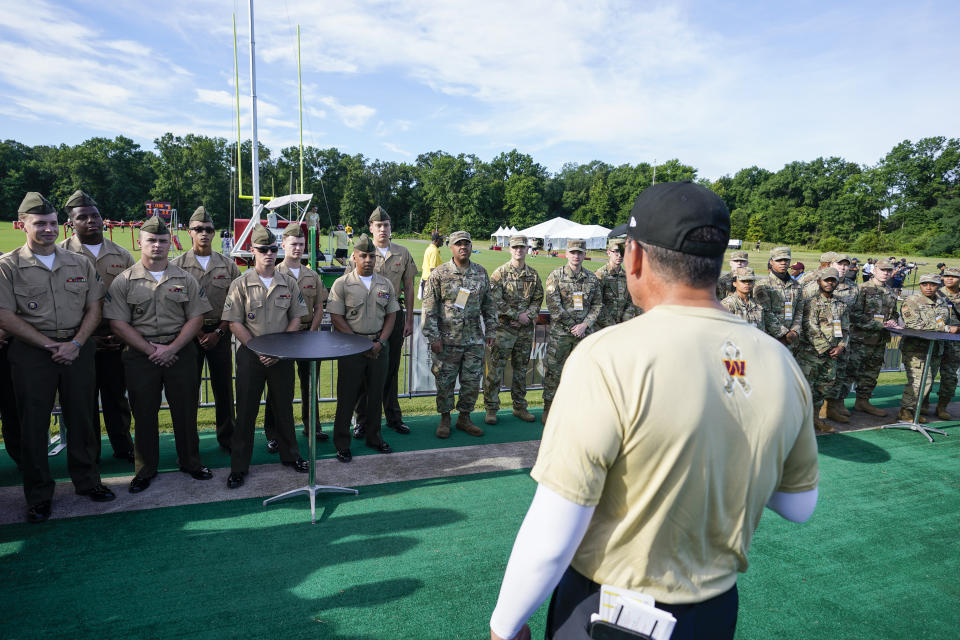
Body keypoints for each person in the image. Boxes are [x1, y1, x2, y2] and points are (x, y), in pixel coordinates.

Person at [488, 182, 818, 640]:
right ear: (719, 262)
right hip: (714, 610)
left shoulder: (607, 355)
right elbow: (799, 505)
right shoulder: (779, 361)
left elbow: (553, 531)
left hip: (611, 611)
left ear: (636, 257)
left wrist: (504, 625)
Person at [0, 192, 115, 523]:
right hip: (32, 353)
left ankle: (88, 482)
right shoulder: (8, 266)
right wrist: (49, 345)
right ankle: (38, 495)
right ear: (22, 225)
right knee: (33, 425)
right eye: (40, 224)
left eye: (52, 223)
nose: (48, 229)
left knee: (82, 418)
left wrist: (76, 343)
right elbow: (5, 316)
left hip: (77, 348)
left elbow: (95, 307)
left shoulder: (78, 262)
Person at [105, 216, 213, 493]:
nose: (157, 245)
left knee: (186, 410)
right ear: (139, 243)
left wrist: (173, 348)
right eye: (151, 240)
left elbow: (197, 317)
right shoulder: (124, 281)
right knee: (143, 413)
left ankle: (190, 461)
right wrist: (151, 350)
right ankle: (145, 469)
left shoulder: (185, 279)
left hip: (180, 352)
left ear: (170, 243)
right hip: (142, 356)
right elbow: (118, 322)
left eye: (163, 241)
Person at [221, 225, 309, 489]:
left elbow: (296, 317)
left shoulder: (288, 283)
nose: (269, 254)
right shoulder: (241, 283)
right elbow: (234, 321)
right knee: (246, 411)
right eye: (262, 249)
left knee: (284, 409)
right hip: (251, 356)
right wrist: (257, 348)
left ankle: (290, 455)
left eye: (272, 249)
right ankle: (238, 467)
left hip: (282, 356)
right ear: (252, 251)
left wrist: (279, 348)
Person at [59, 189, 136, 463]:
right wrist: (86, 338)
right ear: (71, 223)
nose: (91, 221)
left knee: (116, 396)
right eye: (83, 217)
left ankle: (123, 446)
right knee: (82, 400)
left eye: (95, 215)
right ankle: (88, 451)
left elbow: (132, 297)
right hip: (77, 340)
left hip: (115, 337)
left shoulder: (122, 255)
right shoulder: (61, 255)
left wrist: (122, 334)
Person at [171, 206, 241, 452]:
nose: (204, 234)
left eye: (209, 230)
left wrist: (219, 332)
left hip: (220, 333)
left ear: (214, 233)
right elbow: (176, 307)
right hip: (189, 336)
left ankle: (228, 439)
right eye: (198, 229)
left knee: (224, 390)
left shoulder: (228, 266)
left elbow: (235, 304)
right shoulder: (176, 266)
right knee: (188, 392)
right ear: (189, 232)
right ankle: (190, 444)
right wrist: (198, 332)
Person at [326, 234, 399, 462]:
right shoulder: (343, 283)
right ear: (354, 257)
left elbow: (391, 315)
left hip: (378, 346)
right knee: (347, 397)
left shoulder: (384, 283)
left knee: (376, 395)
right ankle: (342, 443)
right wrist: (359, 344)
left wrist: (381, 342)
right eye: (363, 256)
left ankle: (374, 437)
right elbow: (336, 316)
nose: (368, 260)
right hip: (351, 348)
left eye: (371, 256)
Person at [350, 206, 418, 439]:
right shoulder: (362, 251)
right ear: (370, 228)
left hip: (395, 314)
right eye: (378, 226)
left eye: (386, 225)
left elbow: (408, 286)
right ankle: (362, 420)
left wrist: (409, 318)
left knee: (391, 368)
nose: (382, 229)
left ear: (391, 228)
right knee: (363, 371)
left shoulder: (402, 252)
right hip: (368, 316)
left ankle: (393, 417)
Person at [421, 230, 496, 438]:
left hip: (474, 340)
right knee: (445, 382)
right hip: (447, 341)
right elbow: (429, 309)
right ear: (451, 248)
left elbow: (489, 305)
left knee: (472, 382)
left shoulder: (481, 273)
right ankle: (445, 418)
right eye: (458, 244)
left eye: (466, 243)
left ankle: (465, 418)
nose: (463, 247)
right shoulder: (440, 274)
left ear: (471, 246)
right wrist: (433, 337)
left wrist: (491, 329)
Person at [263, 224, 329, 449]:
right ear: (283, 245)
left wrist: (311, 334)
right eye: (293, 244)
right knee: (279, 388)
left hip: (309, 335)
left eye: (301, 244)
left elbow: (319, 306)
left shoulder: (312, 275)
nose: (298, 248)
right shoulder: (275, 274)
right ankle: (274, 433)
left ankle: (312, 427)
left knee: (310, 384)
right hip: (283, 337)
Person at [483, 234, 544, 425]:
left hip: (524, 331)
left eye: (522, 247)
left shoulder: (533, 275)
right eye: (515, 247)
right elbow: (494, 300)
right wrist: (517, 315)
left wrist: (528, 316)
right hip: (504, 329)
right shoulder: (500, 273)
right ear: (510, 249)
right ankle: (491, 409)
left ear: (527, 250)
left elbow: (537, 299)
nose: (518, 250)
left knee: (521, 371)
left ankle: (519, 407)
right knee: (495, 370)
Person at [541, 239, 601, 424]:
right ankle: (549, 410)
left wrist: (585, 325)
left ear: (585, 255)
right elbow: (554, 306)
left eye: (580, 252)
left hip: (584, 335)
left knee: (582, 373)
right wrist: (573, 326)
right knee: (554, 373)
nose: (576, 256)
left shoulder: (591, 278)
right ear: (566, 254)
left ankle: (577, 410)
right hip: (561, 335)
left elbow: (598, 304)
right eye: (573, 252)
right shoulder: (556, 276)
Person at [898, 274, 957, 423]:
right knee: (921, 382)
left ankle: (915, 411)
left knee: (926, 382)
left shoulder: (941, 302)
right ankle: (905, 412)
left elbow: (943, 321)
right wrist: (946, 329)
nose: (929, 287)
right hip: (916, 349)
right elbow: (914, 324)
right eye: (925, 284)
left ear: (938, 286)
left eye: (932, 284)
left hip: (935, 349)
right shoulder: (912, 301)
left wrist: (944, 328)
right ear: (920, 285)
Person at [796, 268, 849, 434]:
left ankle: (815, 419)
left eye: (833, 280)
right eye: (827, 280)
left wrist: (841, 345)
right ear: (819, 281)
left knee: (823, 388)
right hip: (811, 354)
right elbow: (810, 327)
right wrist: (826, 348)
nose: (830, 283)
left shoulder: (841, 304)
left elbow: (846, 328)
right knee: (805, 389)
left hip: (832, 355)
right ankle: (798, 423)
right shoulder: (810, 303)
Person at [847, 259, 899, 417]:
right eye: (882, 270)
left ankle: (862, 402)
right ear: (874, 271)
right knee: (850, 373)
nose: (886, 273)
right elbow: (853, 314)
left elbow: (894, 313)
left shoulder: (890, 291)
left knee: (871, 374)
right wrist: (877, 325)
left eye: (889, 271)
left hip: (880, 340)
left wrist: (893, 321)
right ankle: (834, 405)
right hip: (860, 340)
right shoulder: (862, 289)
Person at [753, 246, 805, 355]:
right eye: (779, 260)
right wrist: (783, 334)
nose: (783, 263)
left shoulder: (796, 285)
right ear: (771, 262)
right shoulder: (763, 285)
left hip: (792, 340)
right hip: (771, 339)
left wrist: (795, 331)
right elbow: (765, 312)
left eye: (786, 260)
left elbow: (799, 310)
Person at [593, 238, 637, 329]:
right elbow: (597, 304)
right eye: (616, 251)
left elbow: (630, 301)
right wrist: (612, 325)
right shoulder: (600, 275)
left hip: (621, 326)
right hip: (602, 327)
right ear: (609, 252)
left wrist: (625, 321)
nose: (620, 255)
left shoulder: (626, 275)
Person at [934, 266, 960, 419]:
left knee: (950, 377)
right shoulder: (934, 292)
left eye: (954, 276)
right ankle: (922, 404)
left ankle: (942, 406)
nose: (950, 278)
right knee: (928, 375)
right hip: (935, 341)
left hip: (955, 344)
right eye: (947, 276)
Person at [419, 231, 443, 299]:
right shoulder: (434, 251)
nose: (442, 242)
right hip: (431, 282)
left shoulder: (429, 248)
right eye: (441, 240)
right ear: (436, 240)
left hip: (426, 279)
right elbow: (433, 269)